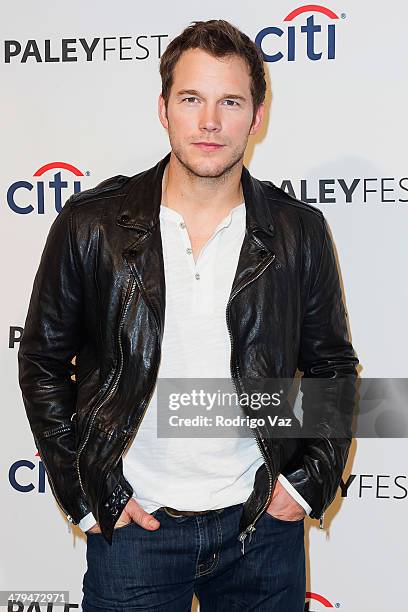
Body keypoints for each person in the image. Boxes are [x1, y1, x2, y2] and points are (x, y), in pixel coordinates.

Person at [18, 18, 359, 612]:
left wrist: (304, 487)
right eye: (192, 99)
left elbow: (333, 366)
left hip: (261, 529)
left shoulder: (298, 231)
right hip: (133, 530)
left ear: (256, 117)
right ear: (163, 109)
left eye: (230, 102)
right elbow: (43, 363)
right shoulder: (90, 225)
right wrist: (82, 491)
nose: (209, 122)